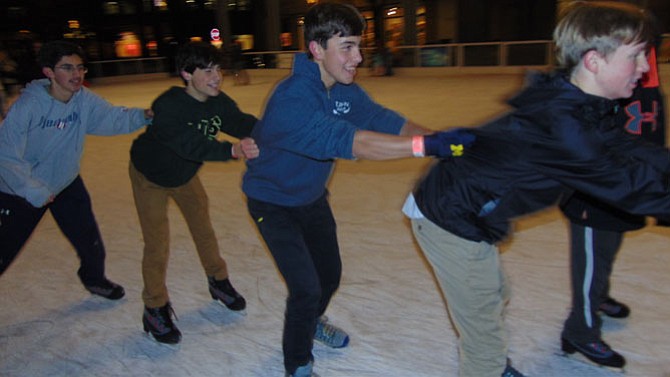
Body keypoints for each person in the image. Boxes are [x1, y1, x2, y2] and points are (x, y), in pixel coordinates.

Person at [403, 2, 669, 376]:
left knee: (494, 295)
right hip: (449, 217)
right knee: (484, 337)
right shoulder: (563, 128)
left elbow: (630, 148)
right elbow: (633, 188)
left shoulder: (582, 104)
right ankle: (489, 368)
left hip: (466, 208)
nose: (645, 67)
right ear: (594, 61)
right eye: (637, 55)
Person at [241, 2, 473, 376]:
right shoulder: (292, 100)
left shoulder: (344, 92)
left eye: (358, 46)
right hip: (273, 202)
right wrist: (427, 147)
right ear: (316, 50)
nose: (359, 57)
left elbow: (385, 122)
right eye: (346, 47)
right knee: (305, 288)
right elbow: (355, 143)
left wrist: (443, 139)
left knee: (329, 276)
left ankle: (313, 322)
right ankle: (297, 364)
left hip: (312, 198)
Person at [129, 41, 259, 345]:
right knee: (157, 243)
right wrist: (232, 150)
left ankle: (218, 281)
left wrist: (273, 132)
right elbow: (190, 145)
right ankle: (154, 307)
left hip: (184, 175)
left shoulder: (218, 101)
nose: (217, 76)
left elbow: (241, 122)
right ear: (187, 73)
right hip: (150, 177)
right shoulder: (168, 106)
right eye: (207, 70)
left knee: (204, 229)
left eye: (218, 69)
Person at [0, 40, 152, 300]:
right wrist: (33, 191)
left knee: (89, 242)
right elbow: (6, 155)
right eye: (67, 68)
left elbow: (110, 118)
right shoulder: (28, 107)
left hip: (65, 182)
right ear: (49, 72)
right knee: (4, 251)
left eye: (80, 67)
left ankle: (94, 279)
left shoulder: (83, 99)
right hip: (21, 190)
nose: (76, 74)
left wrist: (143, 116)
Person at [559, 37, 666, 367]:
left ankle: (598, 298)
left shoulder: (643, 76)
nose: (643, 63)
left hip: (628, 186)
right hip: (597, 192)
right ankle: (581, 331)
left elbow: (650, 129)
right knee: (592, 259)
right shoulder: (600, 81)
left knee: (608, 249)